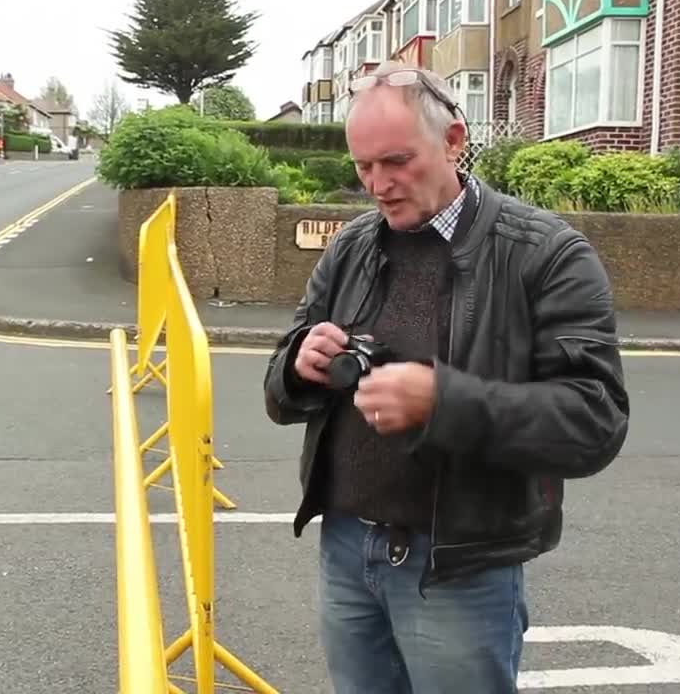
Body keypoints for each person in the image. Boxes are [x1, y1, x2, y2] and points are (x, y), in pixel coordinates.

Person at [262, 61, 629, 694]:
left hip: (460, 564)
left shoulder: (546, 254)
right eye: (363, 167)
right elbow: (278, 387)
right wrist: (302, 364)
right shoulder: (351, 247)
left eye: (396, 161)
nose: (378, 184)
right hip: (347, 549)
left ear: (455, 140)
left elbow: (594, 420)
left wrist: (442, 402)